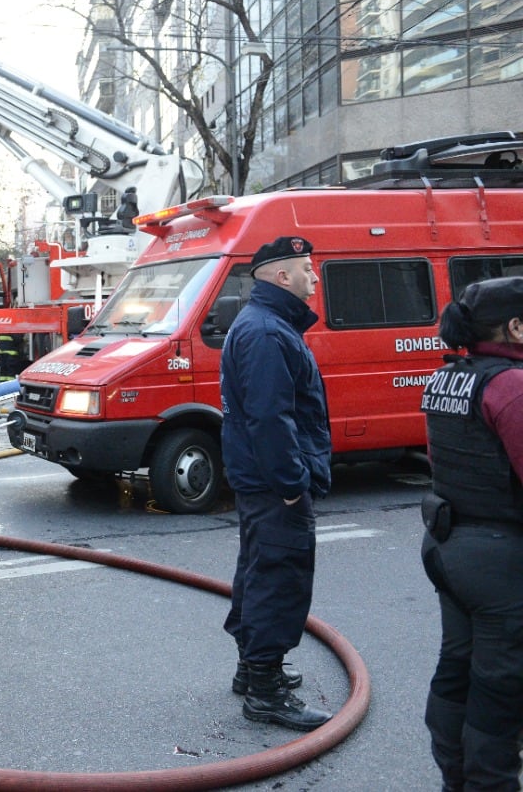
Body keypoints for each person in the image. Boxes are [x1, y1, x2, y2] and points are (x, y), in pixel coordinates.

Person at [219, 235, 333, 732]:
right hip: (274, 483)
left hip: (260, 480)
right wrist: (292, 483)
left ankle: (253, 669)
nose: (314, 277)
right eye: (306, 269)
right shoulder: (268, 332)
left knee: (260, 568)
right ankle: (265, 691)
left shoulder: (267, 325)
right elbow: (271, 418)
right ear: (281, 277)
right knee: (279, 577)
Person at [420, 276, 523, 791]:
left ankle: (455, 778)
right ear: (515, 327)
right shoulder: (511, 385)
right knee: (500, 685)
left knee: (458, 666)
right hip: (499, 558)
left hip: (449, 545)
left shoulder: (448, 378)